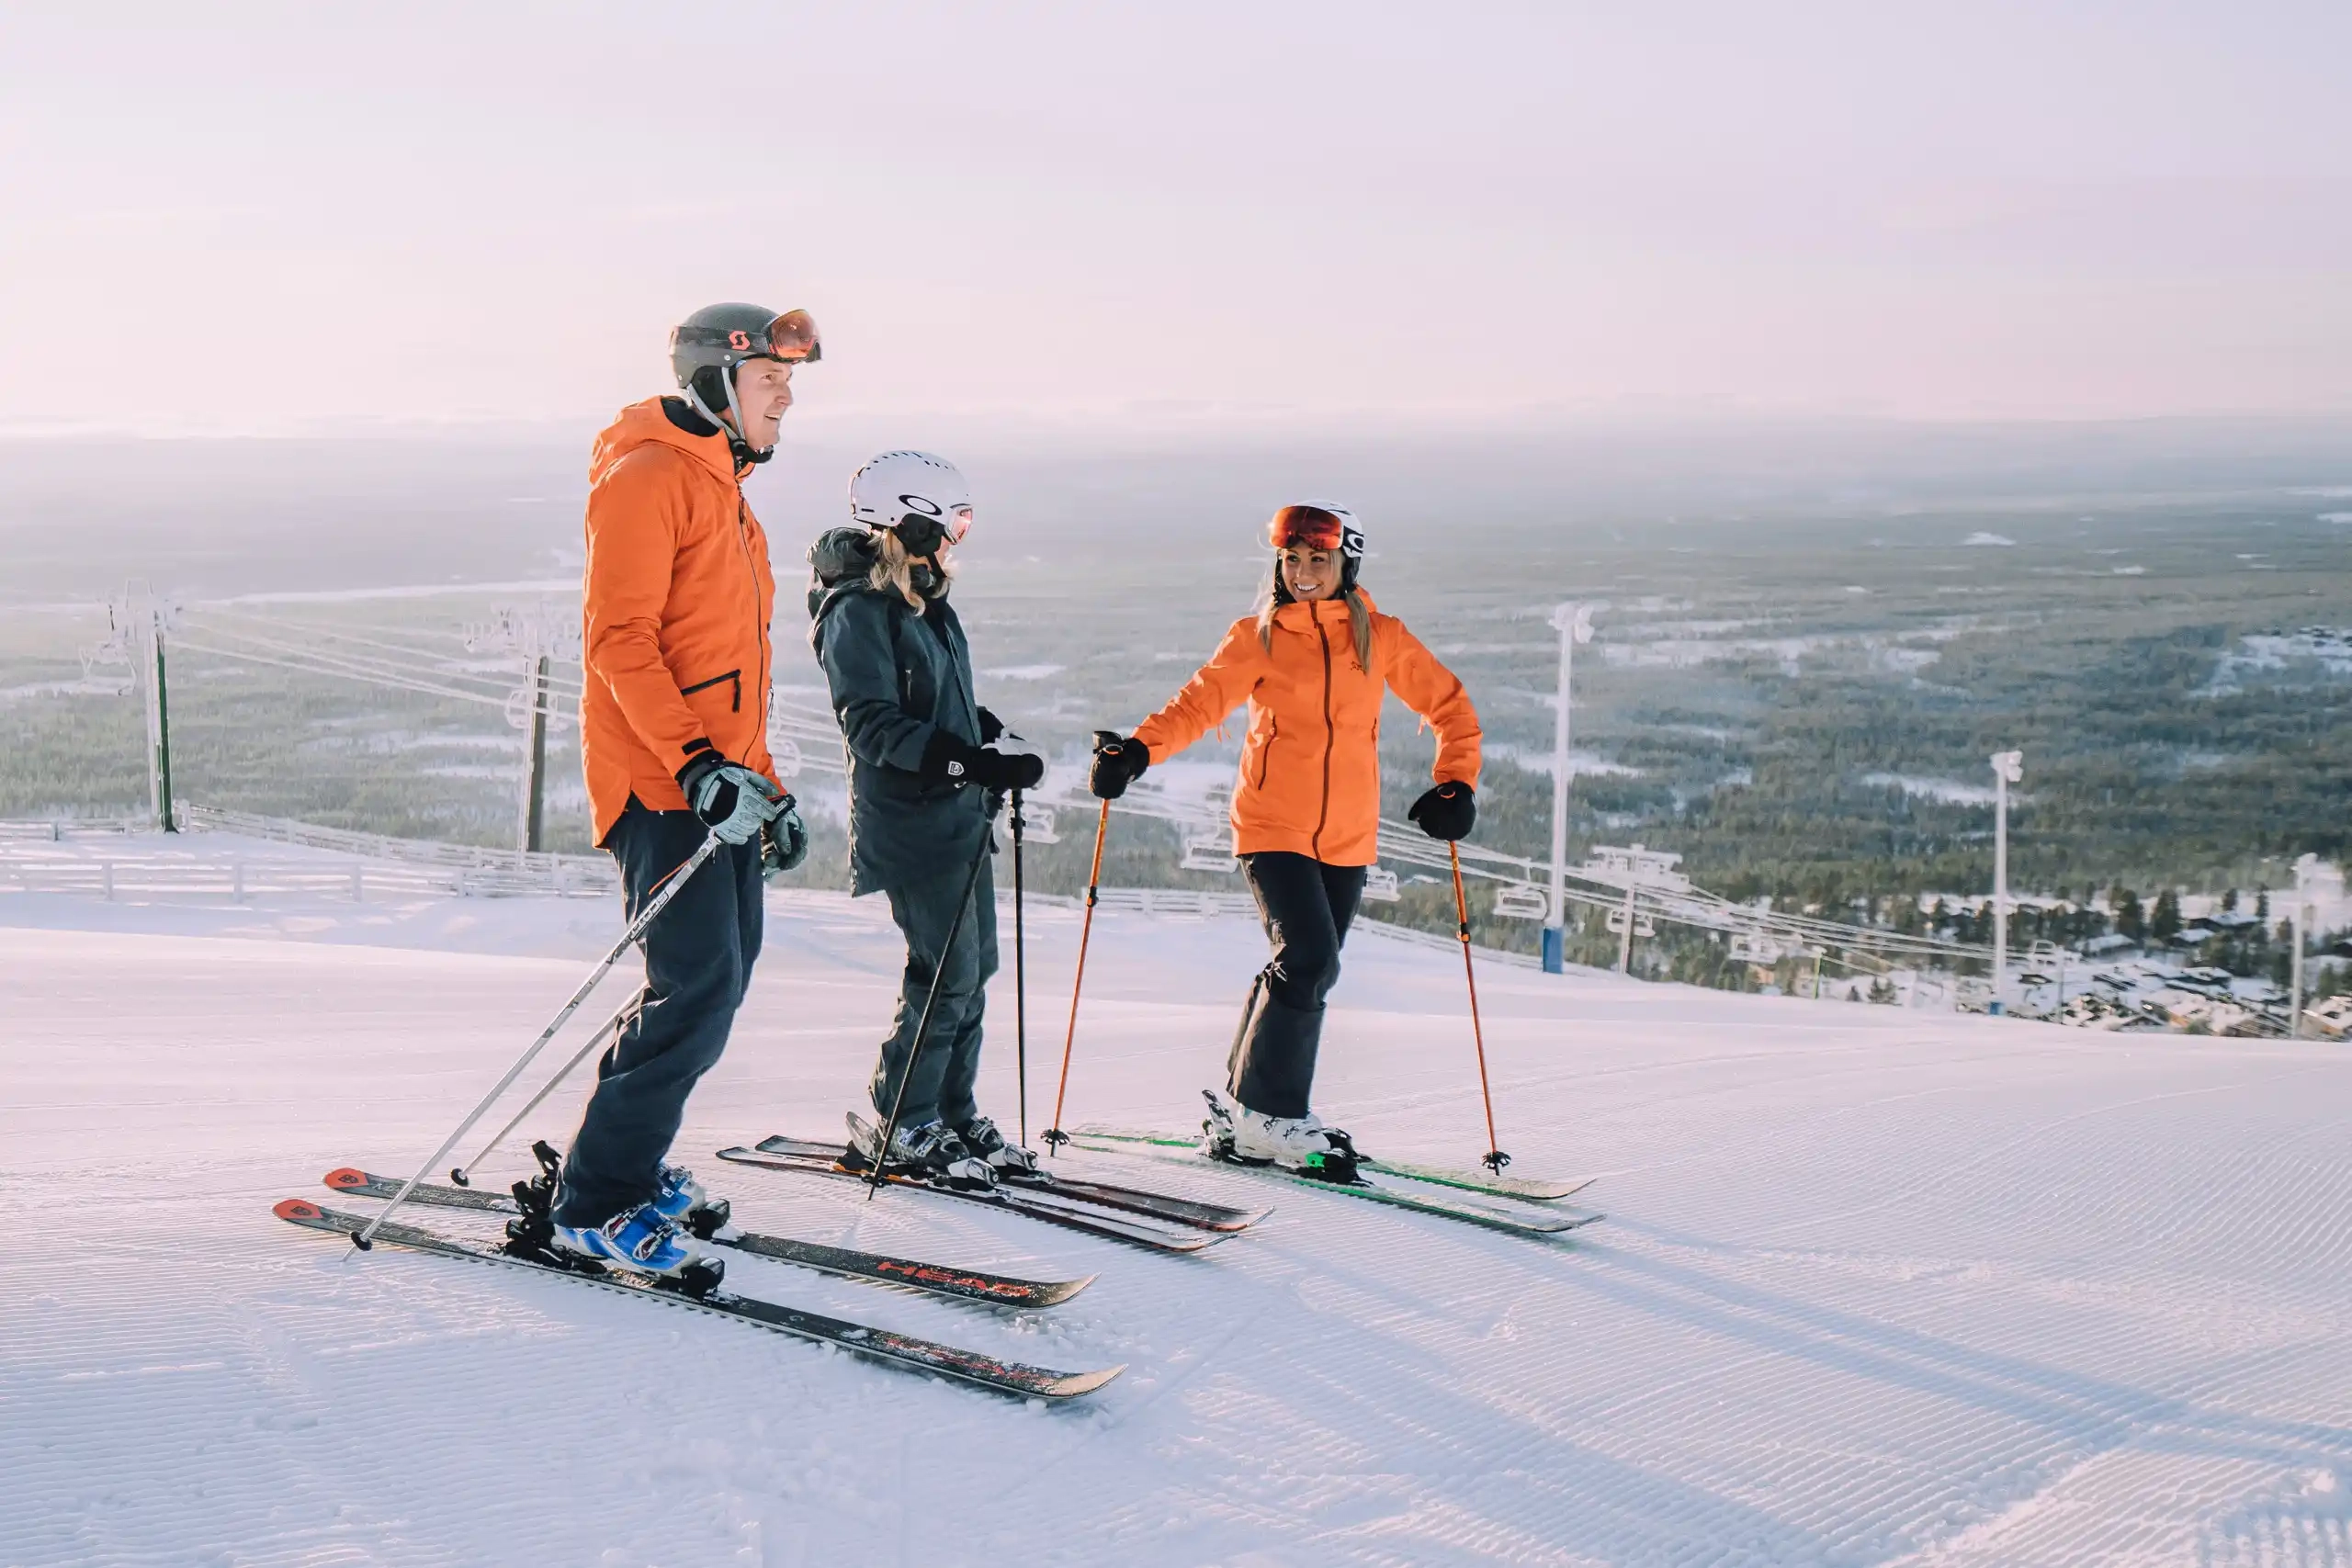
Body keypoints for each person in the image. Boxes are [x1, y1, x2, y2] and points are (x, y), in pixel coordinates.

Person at [1089, 502, 1480, 1176]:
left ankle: (1247, 1108)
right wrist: (1137, 752)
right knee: (1307, 958)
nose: (1301, 573)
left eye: (1317, 560)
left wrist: (1456, 783)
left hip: (1347, 837)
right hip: (1271, 826)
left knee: (1308, 966)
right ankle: (1272, 1115)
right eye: (1291, 560)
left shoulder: (1380, 638)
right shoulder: (1258, 638)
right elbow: (1198, 704)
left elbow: (1449, 703)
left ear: (1345, 565)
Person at [549, 302, 817, 1273]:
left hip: (716, 786)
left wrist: (767, 787)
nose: (787, 396)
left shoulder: (724, 490)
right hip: (662, 787)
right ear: (714, 379)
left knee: (716, 980)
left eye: (792, 382)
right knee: (694, 986)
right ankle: (595, 1202)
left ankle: (626, 1160)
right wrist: (699, 770)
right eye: (771, 379)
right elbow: (618, 641)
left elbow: (730, 669)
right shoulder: (649, 476)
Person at [808, 451, 1046, 1188]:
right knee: (942, 976)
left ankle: (950, 1109)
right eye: (952, 526)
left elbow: (935, 705)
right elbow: (873, 726)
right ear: (908, 523)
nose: (955, 542)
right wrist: (965, 761)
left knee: (973, 974)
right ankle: (903, 1118)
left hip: (956, 819)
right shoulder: (857, 610)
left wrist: (984, 737)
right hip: (910, 825)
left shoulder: (922, 600)